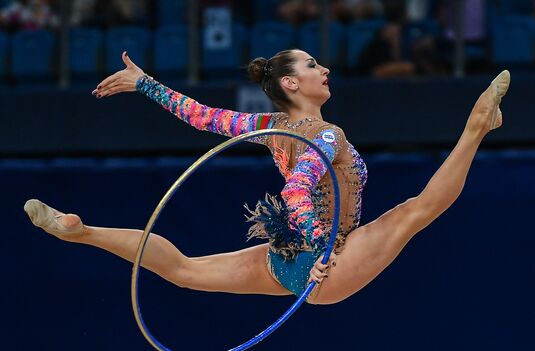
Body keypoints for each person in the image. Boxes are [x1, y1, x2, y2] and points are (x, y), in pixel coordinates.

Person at [24, 49, 510, 305]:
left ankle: (83, 232)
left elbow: (201, 116)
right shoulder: (326, 134)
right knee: (414, 212)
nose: (325, 69)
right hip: (328, 262)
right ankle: (474, 129)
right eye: (313, 65)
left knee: (185, 270)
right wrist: (321, 249)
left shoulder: (269, 127)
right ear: (291, 83)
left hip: (283, 261)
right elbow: (296, 190)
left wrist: (145, 84)